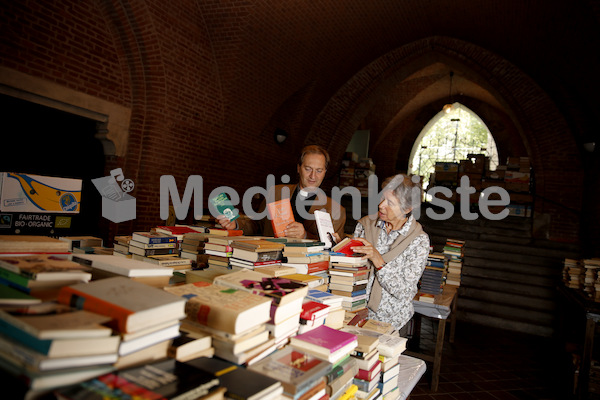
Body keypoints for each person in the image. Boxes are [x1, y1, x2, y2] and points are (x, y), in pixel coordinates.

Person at [350, 174, 430, 335]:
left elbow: (404, 292)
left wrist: (378, 260)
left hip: (390, 322)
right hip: (354, 315)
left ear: (407, 209)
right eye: (382, 199)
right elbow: (351, 270)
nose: (381, 205)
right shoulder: (365, 225)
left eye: (390, 203)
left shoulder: (419, 241)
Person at [217, 145, 346, 240]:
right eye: (308, 169)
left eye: (319, 170)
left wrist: (305, 236)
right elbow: (257, 225)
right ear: (298, 168)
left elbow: (334, 249)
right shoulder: (275, 192)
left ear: (325, 172)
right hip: (268, 260)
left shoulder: (336, 210)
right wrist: (236, 224)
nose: (313, 176)